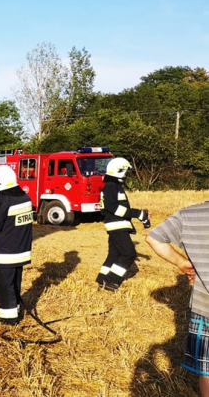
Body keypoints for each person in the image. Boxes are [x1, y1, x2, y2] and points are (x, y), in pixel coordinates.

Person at [144, 200, 209, 396]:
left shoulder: (189, 215)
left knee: (207, 370)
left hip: (205, 306)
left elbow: (153, 238)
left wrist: (182, 262)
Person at [0, 165, 34, 325]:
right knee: (14, 283)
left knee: (2, 285)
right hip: (21, 251)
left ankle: (7, 319)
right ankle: (15, 310)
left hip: (4, 253)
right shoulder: (25, 198)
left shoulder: (3, 201)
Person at [96, 158, 150, 291]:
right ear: (118, 171)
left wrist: (140, 216)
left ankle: (102, 279)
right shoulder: (111, 187)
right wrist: (138, 214)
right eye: (125, 172)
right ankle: (111, 281)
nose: (126, 175)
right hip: (117, 226)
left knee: (114, 255)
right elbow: (115, 209)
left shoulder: (112, 186)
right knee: (129, 254)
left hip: (117, 226)